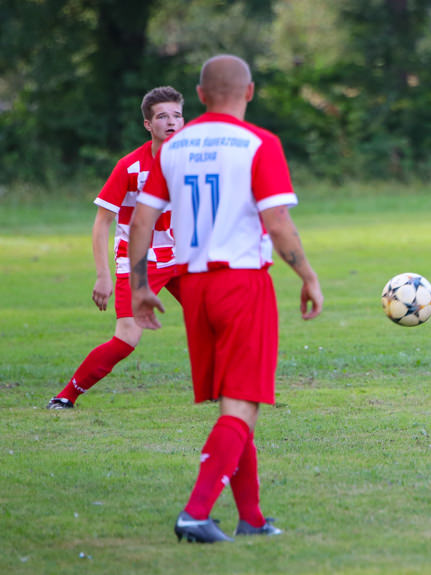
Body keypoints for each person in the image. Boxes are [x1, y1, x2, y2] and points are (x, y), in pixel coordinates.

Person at [129, 54, 323, 543]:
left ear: (198, 96)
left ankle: (252, 517)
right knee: (243, 402)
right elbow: (277, 223)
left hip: (192, 288)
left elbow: (140, 221)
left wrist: (138, 287)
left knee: (234, 401)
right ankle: (196, 513)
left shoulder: (172, 147)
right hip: (241, 284)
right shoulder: (259, 142)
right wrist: (307, 275)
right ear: (250, 92)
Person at [46, 87, 185, 410]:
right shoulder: (130, 167)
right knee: (126, 340)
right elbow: (101, 223)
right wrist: (103, 276)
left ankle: (231, 392)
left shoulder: (193, 161)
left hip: (182, 258)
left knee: (218, 319)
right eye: (162, 116)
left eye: (177, 115)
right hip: (139, 262)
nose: (171, 122)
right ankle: (66, 395)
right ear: (148, 125)